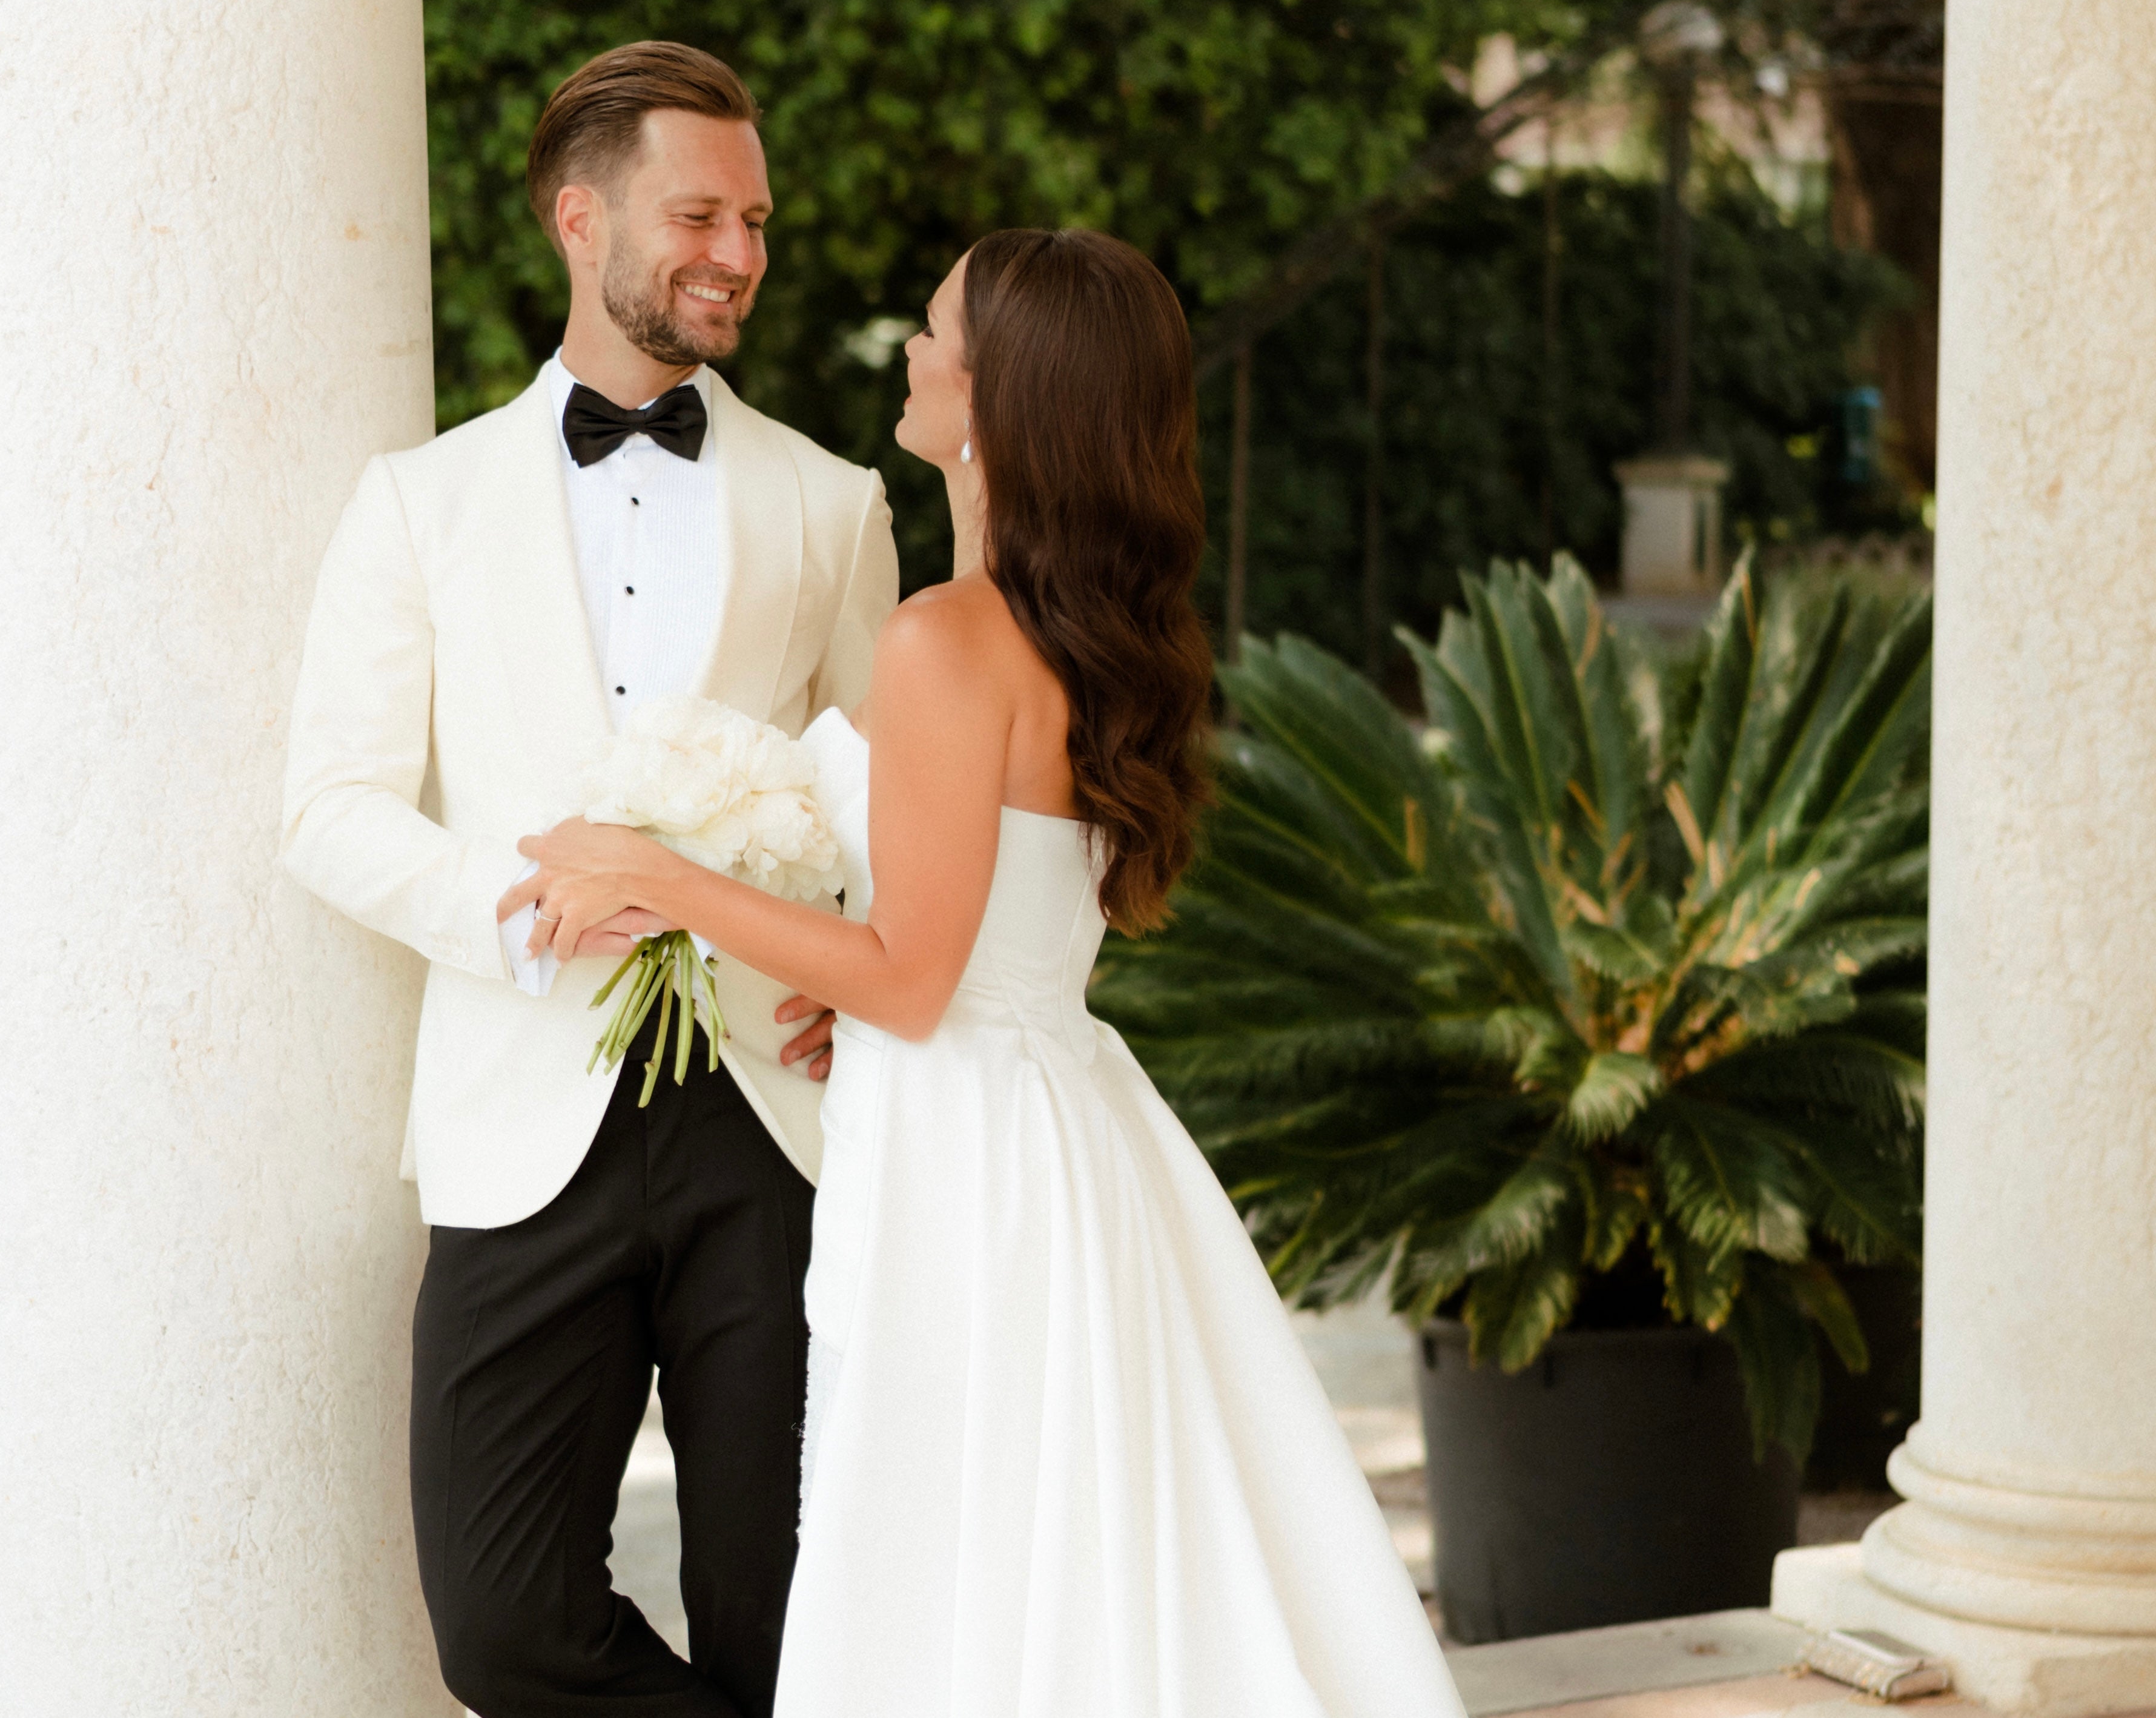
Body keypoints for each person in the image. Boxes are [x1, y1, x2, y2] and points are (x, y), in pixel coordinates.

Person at [521, 228, 1460, 1718]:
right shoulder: (1080, 630)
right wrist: (851, 983)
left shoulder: (952, 639)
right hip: (1041, 1115)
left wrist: (662, 879)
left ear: (1004, 395)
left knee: (962, 1545)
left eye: (939, 328)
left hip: (974, 1156)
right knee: (1040, 1555)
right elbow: (962, 944)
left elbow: (910, 977)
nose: (913, 347)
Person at [280, 41, 898, 1718]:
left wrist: (852, 971)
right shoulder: (416, 505)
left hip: (771, 1124)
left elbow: (875, 808)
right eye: (699, 212)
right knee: (500, 1622)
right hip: (517, 1110)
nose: (741, 254)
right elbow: (327, 805)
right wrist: (516, 904)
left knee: (793, 1621)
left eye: (758, 220)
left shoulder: (833, 509)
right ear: (579, 218)